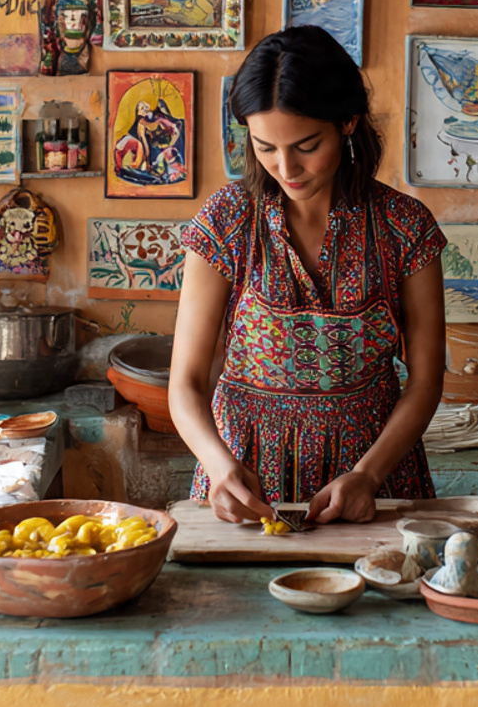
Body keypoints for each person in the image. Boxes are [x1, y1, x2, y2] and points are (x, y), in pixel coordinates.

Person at [169, 27, 446, 526]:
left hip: (374, 480)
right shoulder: (226, 222)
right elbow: (185, 383)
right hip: (244, 480)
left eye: (306, 145)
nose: (285, 166)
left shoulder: (405, 228)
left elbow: (425, 382)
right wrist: (219, 466)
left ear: (348, 122)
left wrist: (368, 475)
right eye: (264, 146)